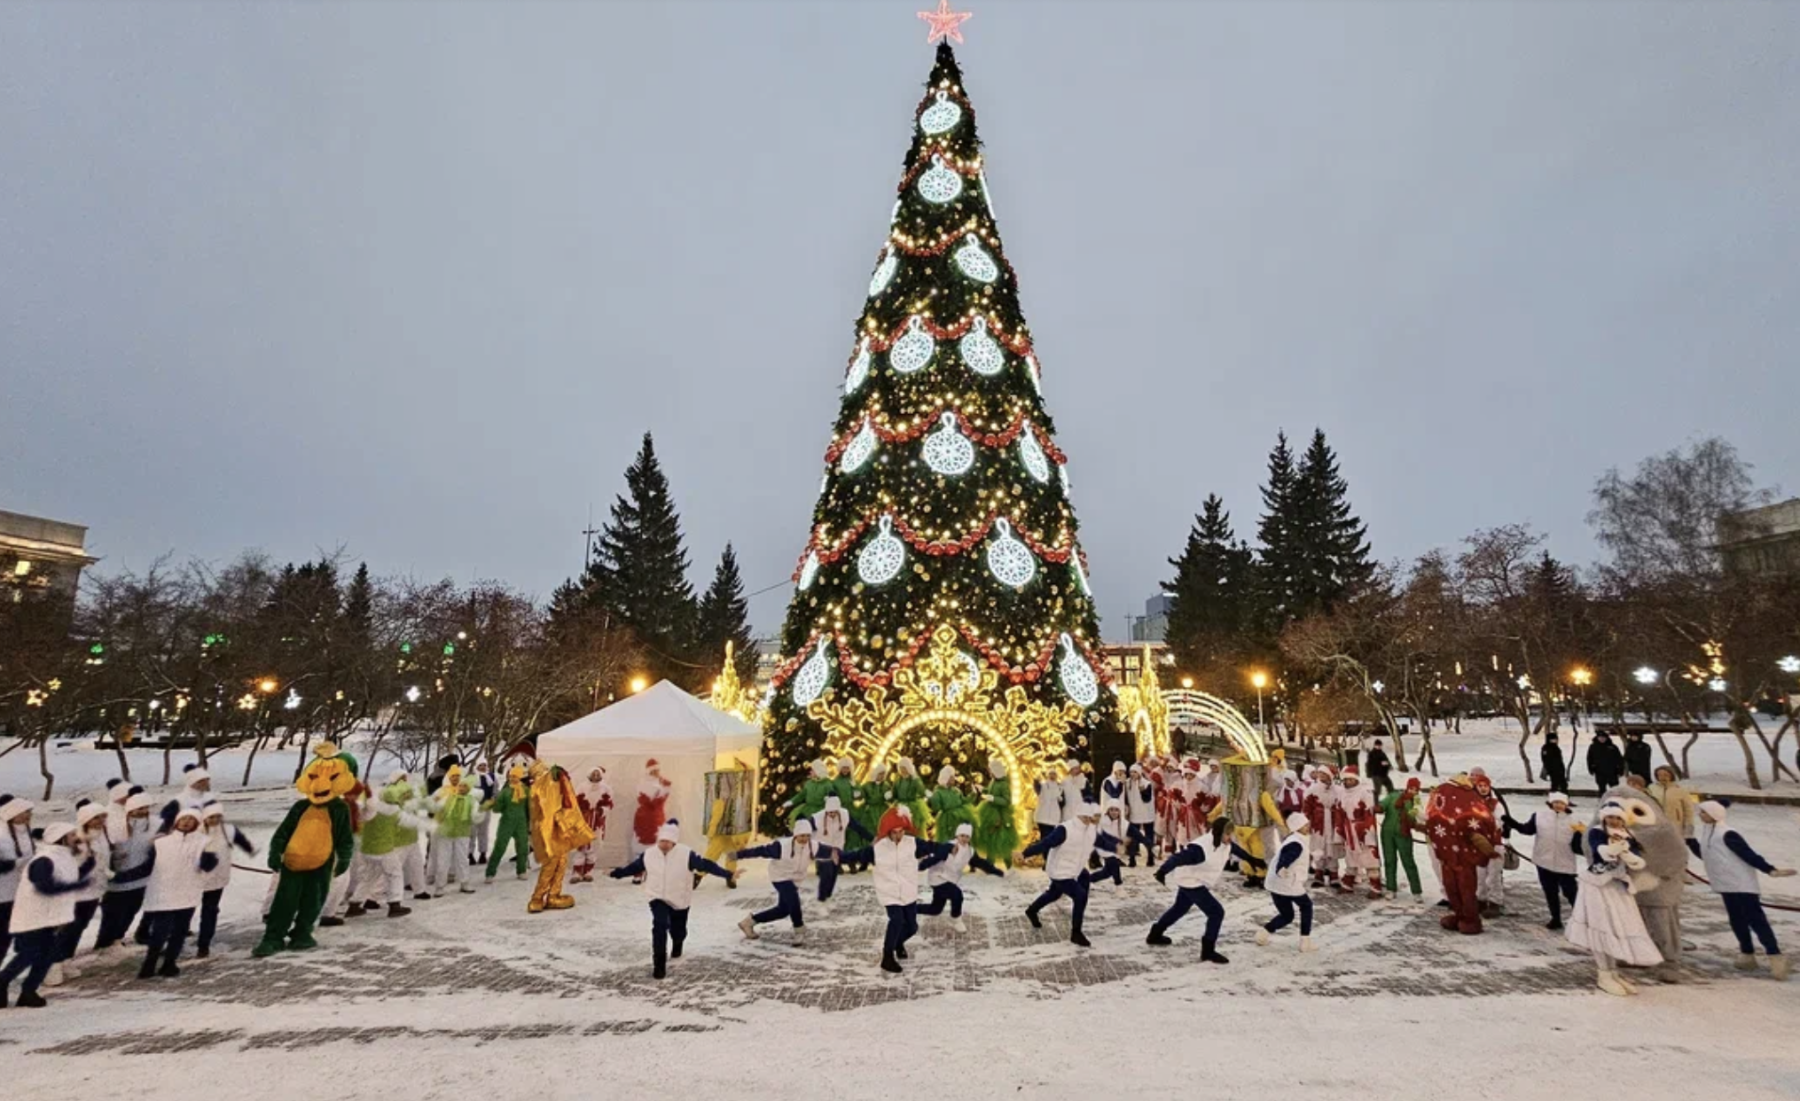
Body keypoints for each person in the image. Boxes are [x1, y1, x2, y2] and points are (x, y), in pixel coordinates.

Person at [254, 744, 357, 957]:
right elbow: (283, 832)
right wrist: (275, 852)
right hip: (293, 861)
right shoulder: (300, 807)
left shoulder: (339, 809)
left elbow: (344, 838)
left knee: (313, 901)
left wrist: (344, 858)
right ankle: (273, 936)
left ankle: (302, 932)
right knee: (285, 900)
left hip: (322, 862)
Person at [610, 820, 734, 979]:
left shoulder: (686, 854)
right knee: (659, 926)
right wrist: (617, 873)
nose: (664, 844)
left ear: (674, 841)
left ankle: (678, 942)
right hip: (657, 897)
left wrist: (728, 874)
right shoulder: (649, 854)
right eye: (661, 841)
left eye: (667, 841)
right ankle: (659, 965)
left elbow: (706, 865)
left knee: (678, 931)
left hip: (679, 899)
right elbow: (633, 868)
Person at [1687, 800, 1796, 980]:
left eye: (1704, 812)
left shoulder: (1728, 834)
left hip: (1742, 884)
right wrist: (1691, 842)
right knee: (1736, 920)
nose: (1700, 815)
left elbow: (1748, 854)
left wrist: (1769, 869)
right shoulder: (1707, 833)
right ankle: (1746, 953)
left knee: (1756, 920)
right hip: (1725, 884)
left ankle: (1775, 955)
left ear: (1714, 814)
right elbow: (1707, 855)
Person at [1565, 800, 1662, 996]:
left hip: (1618, 886)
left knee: (1617, 928)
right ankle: (1604, 974)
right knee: (1601, 927)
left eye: (1617, 817)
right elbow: (1602, 852)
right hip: (1597, 885)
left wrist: (1627, 854)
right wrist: (1617, 849)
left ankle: (1613, 972)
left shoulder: (1628, 835)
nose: (1614, 821)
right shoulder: (1597, 832)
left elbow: (1638, 862)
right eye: (1610, 817)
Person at [840, 806, 951, 973]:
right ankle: (887, 957)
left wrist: (949, 848)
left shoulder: (912, 844)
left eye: (901, 832)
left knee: (912, 927)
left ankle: (898, 943)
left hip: (908, 891)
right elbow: (855, 856)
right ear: (888, 832)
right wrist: (837, 857)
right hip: (889, 892)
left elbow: (932, 847)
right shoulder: (878, 848)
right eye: (895, 832)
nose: (898, 836)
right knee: (897, 920)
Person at [0, 822, 94, 1009]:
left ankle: (29, 991)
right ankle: (2, 983)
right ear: (61, 838)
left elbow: (68, 877)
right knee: (29, 954)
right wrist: (77, 886)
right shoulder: (44, 859)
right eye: (72, 835)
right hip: (33, 917)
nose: (76, 838)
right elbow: (45, 887)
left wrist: (89, 865)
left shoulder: (64, 857)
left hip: (52, 916)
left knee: (48, 955)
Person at [1147, 818, 1259, 963]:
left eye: (1231, 834)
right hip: (1191, 881)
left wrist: (1251, 859)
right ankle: (1208, 951)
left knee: (1179, 908)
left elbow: (1234, 849)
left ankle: (1155, 934)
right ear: (1219, 833)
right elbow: (1177, 858)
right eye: (1227, 834)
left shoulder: (1224, 843)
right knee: (1216, 912)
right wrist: (1162, 871)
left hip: (1197, 880)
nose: (1230, 838)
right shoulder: (1200, 849)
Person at [138, 803, 221, 979]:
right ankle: (149, 964)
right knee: (159, 932)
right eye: (183, 819)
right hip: (163, 892)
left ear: (196, 824)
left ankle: (169, 963)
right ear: (176, 821)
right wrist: (120, 877)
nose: (186, 822)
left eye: (191, 820)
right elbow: (146, 867)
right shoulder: (161, 843)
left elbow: (208, 866)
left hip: (187, 893)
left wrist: (209, 856)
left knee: (179, 931)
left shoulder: (203, 842)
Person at [1019, 801, 1115, 948]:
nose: (1091, 820)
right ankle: (1076, 933)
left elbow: (1101, 841)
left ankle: (1032, 910)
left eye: (1094, 817)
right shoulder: (1065, 829)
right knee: (1080, 895)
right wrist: (1025, 853)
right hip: (1060, 871)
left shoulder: (1090, 829)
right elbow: (1045, 844)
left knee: (1055, 893)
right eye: (1087, 817)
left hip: (1075, 868)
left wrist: (1117, 847)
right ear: (1080, 816)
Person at [735, 817, 824, 943]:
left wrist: (851, 856)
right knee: (793, 898)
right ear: (796, 835)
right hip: (779, 876)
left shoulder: (812, 846)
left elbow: (833, 853)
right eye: (802, 835)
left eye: (807, 836)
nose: (805, 839)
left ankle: (749, 922)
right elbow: (760, 851)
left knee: (783, 910)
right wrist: (738, 855)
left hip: (794, 878)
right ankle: (799, 929)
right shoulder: (781, 846)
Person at [52, 799, 112, 982]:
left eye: (102, 817)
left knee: (80, 927)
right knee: (69, 928)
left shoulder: (102, 836)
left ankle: (66, 958)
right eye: (96, 818)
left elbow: (102, 860)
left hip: (94, 889)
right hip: (77, 892)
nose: (100, 821)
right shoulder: (76, 839)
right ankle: (54, 963)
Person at [1504, 792, 1580, 930]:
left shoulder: (1574, 821)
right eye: (1555, 802)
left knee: (1571, 892)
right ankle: (1555, 919)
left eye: (1561, 803)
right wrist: (1512, 823)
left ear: (1566, 804)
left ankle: (1581, 919)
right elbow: (1527, 830)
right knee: (1550, 891)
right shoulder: (1539, 817)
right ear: (1550, 803)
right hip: (1544, 862)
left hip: (1565, 863)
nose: (1558, 805)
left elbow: (1580, 844)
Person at [95, 786, 156, 954]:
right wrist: (111, 866)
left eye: (145, 807)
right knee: (112, 913)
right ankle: (103, 944)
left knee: (131, 910)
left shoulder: (154, 824)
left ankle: (117, 939)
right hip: (116, 879)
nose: (143, 811)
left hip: (140, 878)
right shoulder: (112, 822)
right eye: (139, 808)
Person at [194, 798, 255, 958]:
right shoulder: (194, 831)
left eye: (217, 816)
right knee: (185, 910)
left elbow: (242, 841)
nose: (215, 820)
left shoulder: (229, 830)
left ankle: (204, 944)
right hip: (192, 879)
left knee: (210, 910)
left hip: (217, 879)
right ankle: (177, 937)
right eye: (211, 817)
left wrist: (250, 850)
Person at [918, 823, 1003, 932]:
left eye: (967, 836)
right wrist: (922, 866)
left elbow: (980, 863)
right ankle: (956, 919)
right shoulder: (949, 847)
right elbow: (936, 857)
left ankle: (910, 909)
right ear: (957, 835)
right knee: (957, 895)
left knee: (935, 909)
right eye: (962, 835)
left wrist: (995, 871)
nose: (964, 839)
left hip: (950, 880)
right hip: (938, 877)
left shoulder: (970, 851)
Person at [1256, 813, 1318, 952]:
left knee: (1287, 915)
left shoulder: (1295, 839)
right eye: (1304, 825)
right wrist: (1281, 868)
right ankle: (1305, 942)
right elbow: (1286, 857)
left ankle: (1263, 934)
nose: (1308, 827)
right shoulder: (1296, 844)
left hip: (1275, 883)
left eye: (1307, 824)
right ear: (1297, 827)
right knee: (1306, 906)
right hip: (1287, 882)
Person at [810, 795, 868, 915]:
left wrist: (871, 838)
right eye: (829, 812)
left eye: (834, 812)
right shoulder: (817, 818)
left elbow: (858, 827)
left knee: (833, 875)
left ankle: (828, 897)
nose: (832, 814)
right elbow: (804, 829)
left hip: (837, 849)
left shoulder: (844, 815)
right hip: (822, 850)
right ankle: (821, 901)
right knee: (826, 875)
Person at [429, 766, 480, 896]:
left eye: (458, 776)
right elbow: (432, 807)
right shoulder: (443, 792)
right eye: (453, 776)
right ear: (449, 777)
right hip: (445, 831)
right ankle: (440, 886)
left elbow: (476, 815)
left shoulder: (469, 795)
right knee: (443, 859)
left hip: (462, 832)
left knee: (462, 858)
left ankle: (465, 883)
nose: (456, 779)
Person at [1335, 766, 1382, 898]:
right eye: (1346, 779)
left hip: (1362, 830)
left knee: (1368, 857)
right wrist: (1339, 832)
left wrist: (1367, 833)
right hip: (1349, 829)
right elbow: (1339, 813)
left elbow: (1369, 814)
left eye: (1351, 779)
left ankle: (1375, 887)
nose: (1348, 782)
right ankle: (1348, 883)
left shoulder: (1364, 793)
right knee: (1351, 856)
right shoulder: (1342, 793)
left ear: (1356, 780)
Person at [1379, 777, 1425, 900]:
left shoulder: (1416, 802)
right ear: (1407, 787)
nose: (1413, 791)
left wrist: (1416, 823)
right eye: (1411, 788)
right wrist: (1378, 808)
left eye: (1416, 789)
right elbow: (1382, 805)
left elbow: (1418, 816)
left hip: (1403, 835)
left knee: (1408, 862)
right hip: (1387, 833)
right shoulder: (1393, 796)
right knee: (1389, 861)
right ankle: (1391, 888)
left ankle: (1416, 891)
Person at [484, 764, 532, 884]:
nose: (512, 778)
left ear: (520, 777)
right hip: (507, 822)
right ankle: (490, 872)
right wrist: (494, 804)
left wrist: (529, 821)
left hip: (521, 822)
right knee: (500, 846)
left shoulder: (526, 790)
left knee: (522, 847)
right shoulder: (505, 792)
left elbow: (529, 807)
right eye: (511, 776)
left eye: (515, 776)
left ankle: (521, 870)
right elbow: (497, 809)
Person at [971, 757, 1018, 867]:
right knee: (990, 840)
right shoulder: (993, 781)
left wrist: (993, 798)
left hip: (1001, 815)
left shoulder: (1004, 784)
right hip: (990, 813)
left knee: (1002, 841)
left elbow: (1006, 801)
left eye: (991, 770)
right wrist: (983, 789)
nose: (989, 772)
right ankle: (989, 863)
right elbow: (991, 791)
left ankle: (1008, 864)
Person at [1303, 766, 1343, 890]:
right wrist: (1306, 822)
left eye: (1324, 774)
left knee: (1332, 847)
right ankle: (1319, 873)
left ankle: (1333, 874)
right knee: (1319, 848)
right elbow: (1306, 808)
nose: (1321, 776)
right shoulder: (1312, 790)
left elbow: (1342, 806)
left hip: (1333, 823)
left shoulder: (1338, 790)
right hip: (1318, 824)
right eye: (1320, 773)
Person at [571, 767, 613, 882]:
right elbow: (575, 803)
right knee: (581, 846)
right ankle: (577, 873)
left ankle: (588, 872)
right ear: (589, 774)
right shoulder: (581, 787)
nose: (595, 776)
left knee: (593, 847)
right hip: (583, 820)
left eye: (597, 774)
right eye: (593, 774)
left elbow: (609, 804)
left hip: (597, 822)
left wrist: (601, 811)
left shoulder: (606, 788)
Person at [928, 766, 976, 843]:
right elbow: (936, 808)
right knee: (949, 837)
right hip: (947, 819)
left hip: (960, 816)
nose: (954, 779)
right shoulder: (938, 792)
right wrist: (933, 799)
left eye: (953, 777)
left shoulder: (956, 790)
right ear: (945, 778)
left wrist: (973, 794)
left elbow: (963, 801)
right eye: (951, 777)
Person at [1124, 764, 1157, 866]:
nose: (1133, 774)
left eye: (1135, 772)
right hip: (1134, 813)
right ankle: (1132, 858)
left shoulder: (1146, 784)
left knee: (1149, 835)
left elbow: (1147, 799)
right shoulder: (1127, 783)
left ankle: (1150, 857)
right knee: (1133, 837)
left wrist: (1142, 791)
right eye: (1131, 772)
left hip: (1147, 813)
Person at [1647, 766, 1694, 838]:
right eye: (1660, 775)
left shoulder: (1680, 790)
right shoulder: (1651, 788)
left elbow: (1688, 810)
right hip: (1657, 825)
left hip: (1675, 825)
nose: (1663, 777)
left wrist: (1688, 828)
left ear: (1671, 775)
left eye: (1666, 775)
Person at [1092, 800, 1128, 888]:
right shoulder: (1103, 821)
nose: (1114, 812)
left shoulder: (1121, 822)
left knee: (1106, 873)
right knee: (1114, 864)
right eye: (1111, 810)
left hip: (1115, 849)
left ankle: (1086, 879)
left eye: (1116, 810)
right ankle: (1119, 884)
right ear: (1107, 810)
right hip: (1105, 848)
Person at [1033, 764, 1065, 842]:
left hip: (1054, 817)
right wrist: (1036, 779)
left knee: (1051, 837)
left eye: (1054, 774)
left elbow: (1062, 802)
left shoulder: (1060, 787)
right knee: (1044, 836)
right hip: (1042, 816)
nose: (1052, 776)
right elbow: (1037, 787)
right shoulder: (1043, 785)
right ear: (1048, 775)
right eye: (1051, 774)